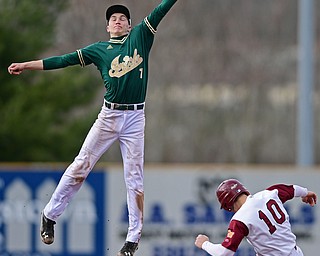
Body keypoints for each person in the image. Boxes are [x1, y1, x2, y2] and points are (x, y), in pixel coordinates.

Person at [8, 0, 178, 255]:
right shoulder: (99, 50)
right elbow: (63, 60)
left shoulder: (141, 36)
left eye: (122, 17)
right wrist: (27, 65)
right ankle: (49, 215)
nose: (118, 20)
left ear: (130, 24)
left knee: (135, 178)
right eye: (113, 18)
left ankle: (132, 241)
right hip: (109, 116)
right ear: (107, 26)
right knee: (81, 166)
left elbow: (161, 9)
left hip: (135, 118)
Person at [195, 179, 317, 256]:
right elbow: (293, 189)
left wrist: (205, 244)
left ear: (228, 205)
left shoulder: (240, 219)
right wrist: (306, 193)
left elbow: (224, 252)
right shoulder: (270, 193)